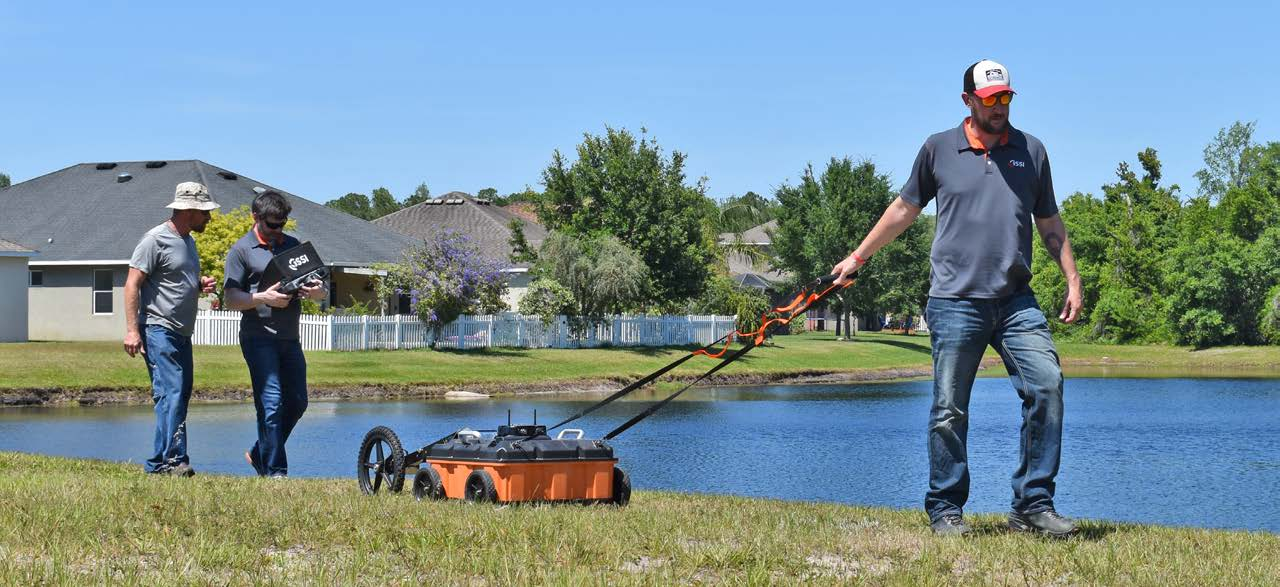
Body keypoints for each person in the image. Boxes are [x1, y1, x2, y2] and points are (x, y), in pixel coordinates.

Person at [830, 59, 1084, 537]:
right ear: (968, 100)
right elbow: (904, 209)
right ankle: (945, 509)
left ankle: (1033, 506)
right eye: (990, 100)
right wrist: (858, 258)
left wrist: (1072, 278)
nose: (999, 107)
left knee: (1046, 385)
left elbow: (1048, 222)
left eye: (1006, 98)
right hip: (954, 300)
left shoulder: (1032, 151)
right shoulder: (937, 149)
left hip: (1015, 299)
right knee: (949, 408)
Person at [222, 190, 326, 477]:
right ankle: (276, 472)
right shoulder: (241, 250)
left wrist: (317, 292)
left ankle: (259, 453)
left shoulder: (293, 247)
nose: (278, 230)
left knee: (297, 402)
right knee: (270, 403)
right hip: (258, 337)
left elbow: (319, 287)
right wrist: (262, 298)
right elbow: (231, 298)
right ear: (256, 218)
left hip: (289, 338)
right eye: (272, 225)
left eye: (282, 224)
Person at [124, 181, 220, 476]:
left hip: (180, 332)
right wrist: (132, 330)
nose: (209, 218)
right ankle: (176, 461)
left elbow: (174, 280)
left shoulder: (188, 241)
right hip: (158, 328)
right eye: (205, 212)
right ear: (190, 210)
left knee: (174, 396)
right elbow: (132, 284)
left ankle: (158, 463)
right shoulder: (155, 239)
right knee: (173, 393)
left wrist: (199, 284)